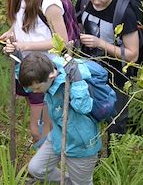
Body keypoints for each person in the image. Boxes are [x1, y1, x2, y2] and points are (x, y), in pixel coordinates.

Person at [0, 0, 69, 147]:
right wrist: (12, 33)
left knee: (41, 128)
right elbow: (26, 23)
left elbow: (61, 42)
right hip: (27, 65)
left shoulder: (49, 1)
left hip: (46, 70)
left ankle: (45, 169)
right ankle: (43, 166)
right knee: (37, 125)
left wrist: (25, 44)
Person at [19, 52, 101, 185]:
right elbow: (29, 82)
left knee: (82, 183)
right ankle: (70, 182)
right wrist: (17, 57)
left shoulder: (71, 79)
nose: (34, 92)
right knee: (37, 169)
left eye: (38, 88)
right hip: (57, 137)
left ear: (52, 76)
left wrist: (77, 80)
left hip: (81, 144)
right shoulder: (45, 72)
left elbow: (84, 107)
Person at [75, 0, 139, 135]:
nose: (96, 2)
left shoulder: (124, 12)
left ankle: (114, 158)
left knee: (116, 121)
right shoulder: (83, 1)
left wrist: (100, 43)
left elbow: (132, 54)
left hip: (117, 74)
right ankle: (90, 158)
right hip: (89, 69)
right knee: (86, 114)